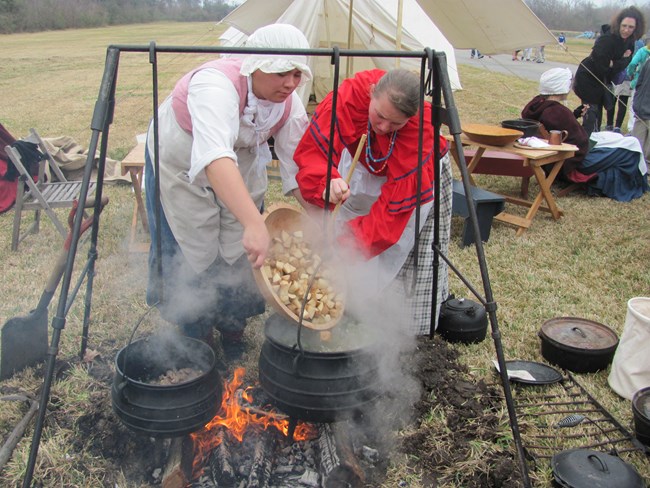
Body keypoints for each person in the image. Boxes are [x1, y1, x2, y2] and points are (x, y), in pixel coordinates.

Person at [143, 24, 313, 359]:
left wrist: (321, 219)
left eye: (297, 74)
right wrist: (254, 222)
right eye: (281, 72)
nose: (290, 83)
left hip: (240, 162)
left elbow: (300, 166)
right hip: (182, 160)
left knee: (239, 249)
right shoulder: (215, 85)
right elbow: (214, 156)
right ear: (254, 64)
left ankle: (232, 324)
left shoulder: (288, 104)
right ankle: (196, 331)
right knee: (195, 245)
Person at [290, 69, 453, 335]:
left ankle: (394, 325)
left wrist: (345, 246)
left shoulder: (419, 134)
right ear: (371, 91)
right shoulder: (349, 97)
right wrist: (326, 181)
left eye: (396, 124)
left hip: (412, 179)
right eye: (380, 116)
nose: (384, 128)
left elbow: (392, 213)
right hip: (366, 163)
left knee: (402, 249)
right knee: (342, 224)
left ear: (411, 118)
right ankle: (345, 303)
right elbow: (315, 149)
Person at [523, 67, 648, 201]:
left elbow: (558, 127)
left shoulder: (537, 105)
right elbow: (582, 143)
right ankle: (630, 182)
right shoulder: (557, 111)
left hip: (555, 158)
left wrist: (575, 115)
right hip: (573, 162)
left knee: (617, 138)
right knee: (630, 146)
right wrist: (589, 120)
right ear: (561, 86)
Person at [573, 7, 646, 136]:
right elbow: (602, 66)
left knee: (597, 114)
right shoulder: (606, 39)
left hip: (603, 80)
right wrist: (620, 60)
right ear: (618, 24)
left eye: (630, 27)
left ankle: (592, 140)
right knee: (592, 115)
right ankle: (587, 143)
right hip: (588, 78)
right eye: (624, 26)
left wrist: (615, 62)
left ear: (636, 28)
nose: (626, 30)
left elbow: (627, 61)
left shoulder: (630, 41)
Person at [626, 37, 650, 131]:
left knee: (634, 103)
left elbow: (632, 63)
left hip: (639, 80)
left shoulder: (642, 51)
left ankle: (632, 127)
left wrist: (630, 74)